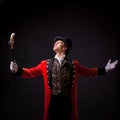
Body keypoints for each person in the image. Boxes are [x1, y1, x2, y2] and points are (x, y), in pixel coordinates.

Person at [10, 36, 118, 120]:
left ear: (64, 47)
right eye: (55, 42)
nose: (55, 42)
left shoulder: (74, 64)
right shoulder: (45, 64)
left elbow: (88, 71)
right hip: (52, 103)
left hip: (67, 103)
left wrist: (105, 69)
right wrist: (17, 69)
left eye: (59, 42)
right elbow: (30, 72)